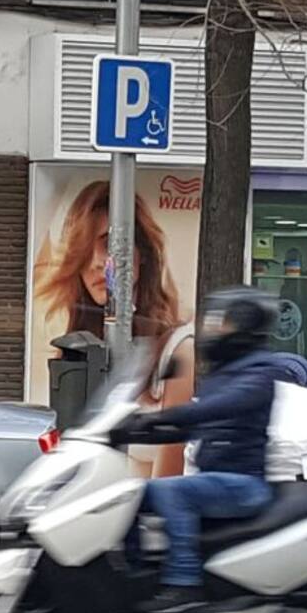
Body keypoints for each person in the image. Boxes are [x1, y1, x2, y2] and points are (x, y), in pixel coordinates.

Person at [116, 288, 281, 613]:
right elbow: (198, 426)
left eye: (224, 324)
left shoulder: (261, 372)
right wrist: (138, 430)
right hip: (218, 478)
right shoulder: (225, 373)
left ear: (244, 329)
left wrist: (161, 415)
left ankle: (183, 583)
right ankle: (132, 575)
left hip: (245, 483)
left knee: (174, 491)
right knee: (126, 494)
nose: (215, 330)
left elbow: (216, 409)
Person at [36, 180, 195, 476]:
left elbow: (167, 482)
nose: (98, 263)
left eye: (111, 245)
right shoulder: (86, 345)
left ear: (142, 252)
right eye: (85, 250)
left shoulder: (177, 348)